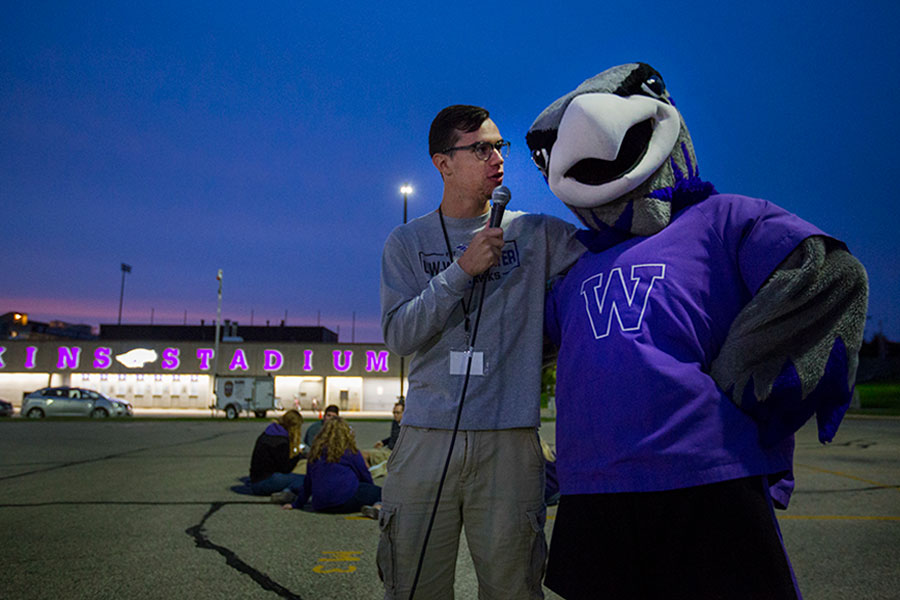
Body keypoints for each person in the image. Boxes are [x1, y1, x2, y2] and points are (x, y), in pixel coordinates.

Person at [526, 62, 868, 599]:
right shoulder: (576, 271)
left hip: (704, 475)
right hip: (594, 487)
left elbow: (823, 273)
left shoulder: (722, 219)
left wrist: (742, 376)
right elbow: (525, 341)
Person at [377, 104, 584, 599]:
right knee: (413, 586)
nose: (497, 158)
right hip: (427, 436)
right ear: (443, 163)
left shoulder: (537, 234)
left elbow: (604, 271)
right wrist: (459, 272)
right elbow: (399, 335)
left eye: (499, 146)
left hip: (509, 440)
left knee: (513, 589)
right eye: (481, 148)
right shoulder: (407, 242)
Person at [282, 417, 381, 513]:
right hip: (343, 501)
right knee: (381, 492)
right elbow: (364, 474)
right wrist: (370, 490)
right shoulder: (349, 451)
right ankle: (378, 506)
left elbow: (308, 481)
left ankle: (289, 492)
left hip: (320, 505)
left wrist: (297, 504)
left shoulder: (316, 452)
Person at [248, 409, 305, 497]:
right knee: (304, 479)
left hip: (256, 479)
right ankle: (287, 492)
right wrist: (298, 456)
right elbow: (285, 468)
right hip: (263, 482)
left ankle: (287, 490)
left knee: (291, 478)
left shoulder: (269, 432)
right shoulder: (281, 441)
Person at [364, 401, 404, 475]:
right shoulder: (395, 423)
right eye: (394, 412)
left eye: (398, 413)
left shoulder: (406, 427)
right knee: (361, 456)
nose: (395, 415)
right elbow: (394, 437)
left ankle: (366, 474)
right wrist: (383, 442)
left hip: (392, 454)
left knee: (363, 455)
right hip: (387, 450)